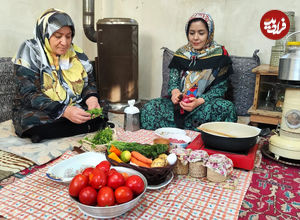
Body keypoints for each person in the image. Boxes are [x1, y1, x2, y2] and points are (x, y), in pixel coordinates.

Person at [12, 8, 109, 143]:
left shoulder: (75, 53)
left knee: (102, 106)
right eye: (58, 36)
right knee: (29, 118)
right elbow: (29, 94)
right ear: (45, 34)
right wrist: (63, 111)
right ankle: (86, 126)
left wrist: (91, 99)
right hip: (43, 108)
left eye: (68, 36)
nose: (64, 42)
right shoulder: (30, 50)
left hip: (73, 104)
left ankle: (54, 131)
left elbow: (89, 82)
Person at [141, 12, 237, 131]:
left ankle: (182, 129)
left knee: (227, 108)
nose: (195, 37)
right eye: (192, 33)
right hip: (179, 105)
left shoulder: (220, 55)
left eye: (201, 33)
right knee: (149, 108)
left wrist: (197, 102)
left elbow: (219, 90)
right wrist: (175, 94)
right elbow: (173, 83)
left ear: (209, 34)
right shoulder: (181, 54)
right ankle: (191, 130)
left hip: (204, 105)